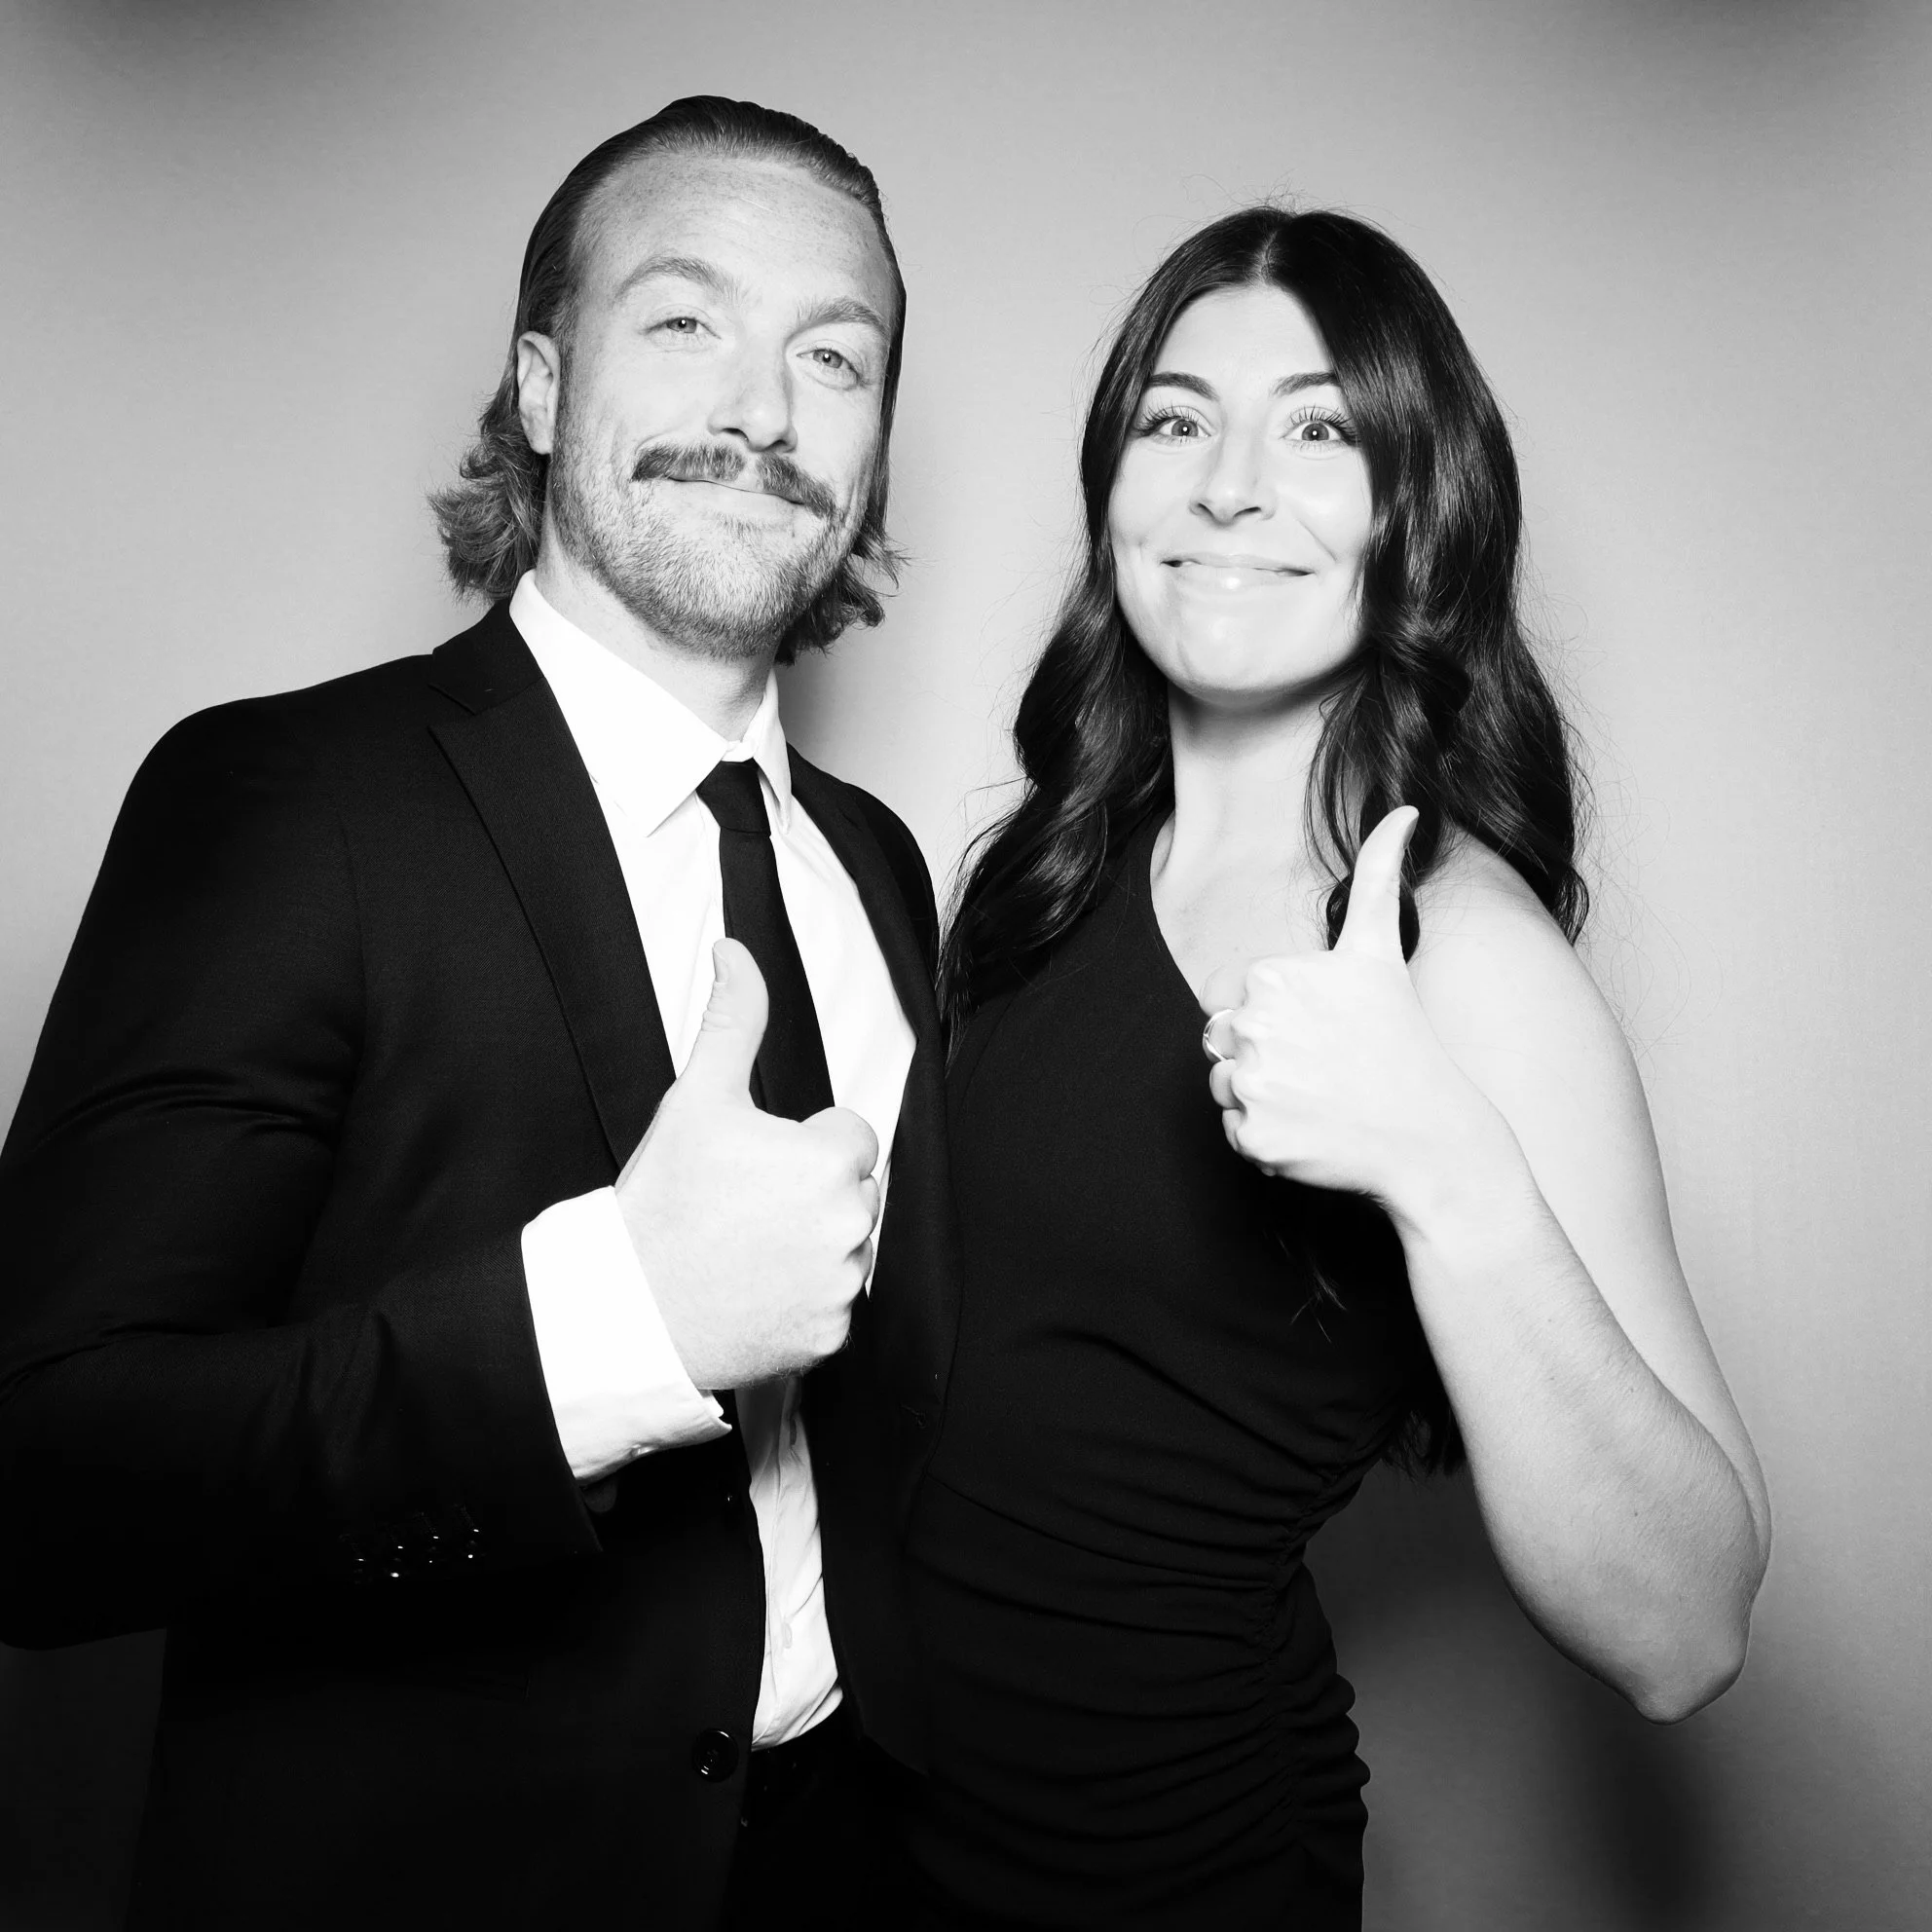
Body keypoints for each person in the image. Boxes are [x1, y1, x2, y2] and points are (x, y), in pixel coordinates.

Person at [0, 97, 952, 1930]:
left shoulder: (881, 870)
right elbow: (43, 1475)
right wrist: (617, 1328)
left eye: (833, 358)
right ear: (537, 382)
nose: (763, 408)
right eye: (684, 323)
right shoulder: (288, 799)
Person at [909, 206, 1772, 1928]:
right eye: (1176, 420)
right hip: (880, 1833)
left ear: (1417, 511)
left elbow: (1687, 1631)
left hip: (1159, 1870)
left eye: (1320, 428)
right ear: (1117, 490)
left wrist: (1444, 1162)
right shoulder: (1048, 871)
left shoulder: (1462, 954)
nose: (1230, 484)